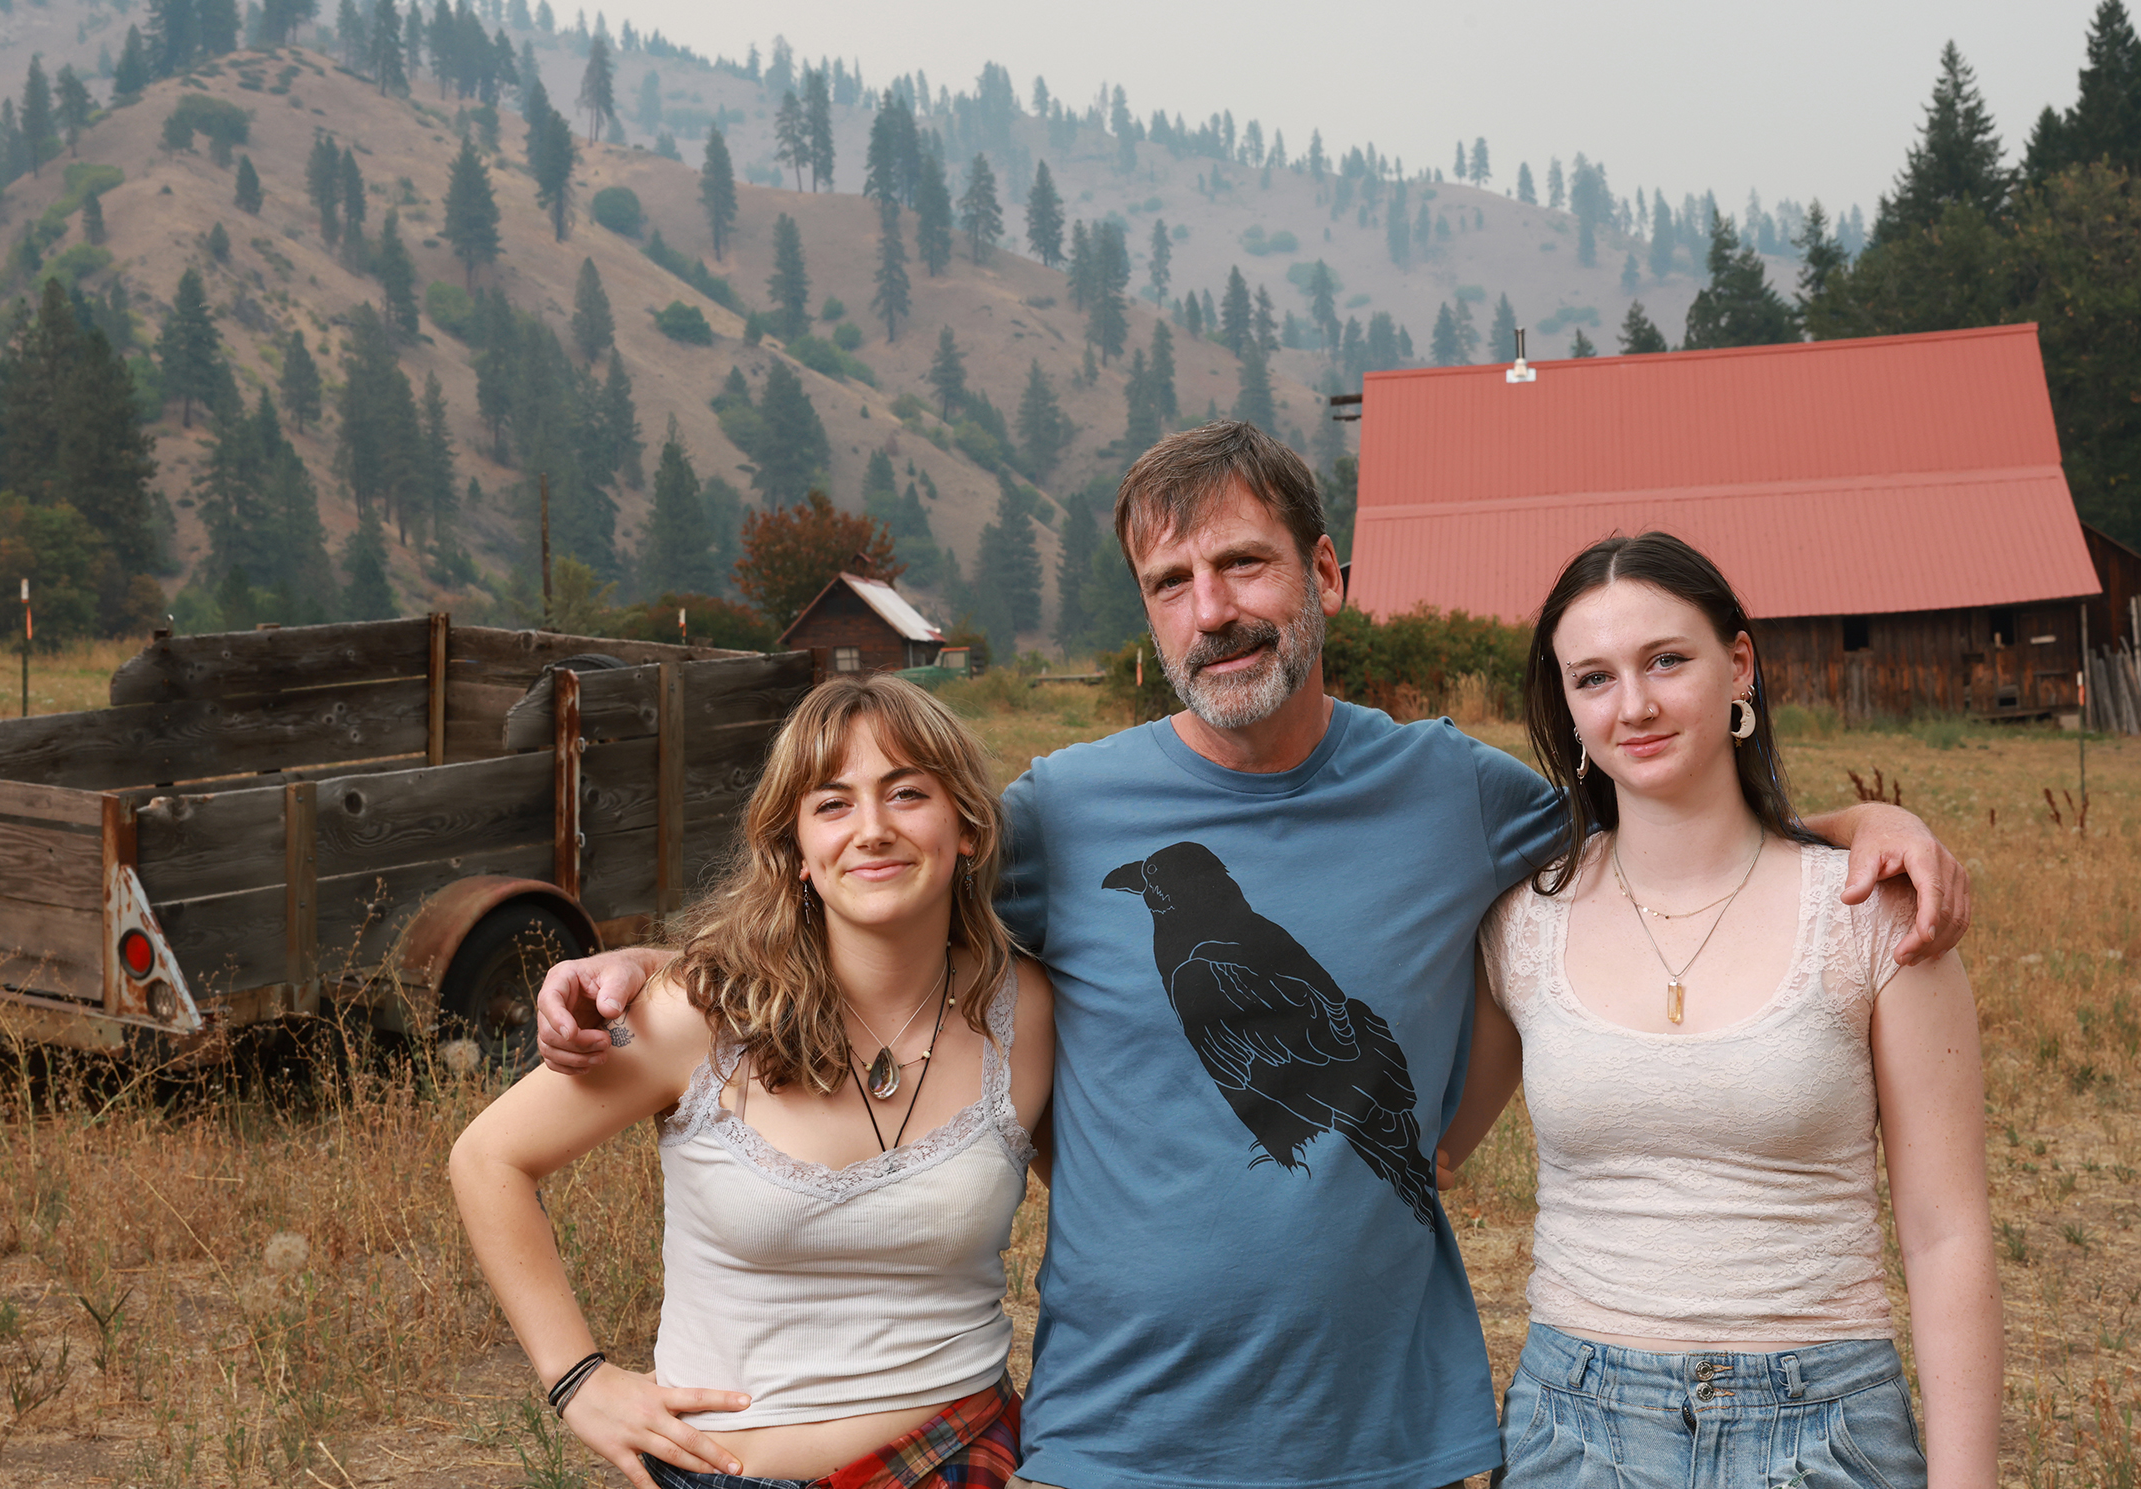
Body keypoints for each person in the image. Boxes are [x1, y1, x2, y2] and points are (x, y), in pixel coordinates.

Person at [539, 423, 1971, 1489]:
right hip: (1121, 1430)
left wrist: (1851, 827)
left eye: (1244, 563)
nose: (1212, 607)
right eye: (1172, 581)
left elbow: (1660, 804)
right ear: (1147, 612)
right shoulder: (1059, 812)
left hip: (1389, 1430)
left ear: (1325, 572)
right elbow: (874, 890)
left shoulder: (1456, 792)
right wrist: (658, 963)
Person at [1436, 533, 1999, 1489]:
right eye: (1594, 678)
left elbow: (1947, 1234)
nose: (1637, 704)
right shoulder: (1520, 927)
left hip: (1825, 1426)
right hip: (1576, 1427)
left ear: (1740, 664)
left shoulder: (1872, 914)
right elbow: (1428, 1154)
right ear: (1568, 708)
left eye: (1667, 659)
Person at [451, 673, 1054, 1489]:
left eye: (906, 793)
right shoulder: (698, 1013)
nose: (871, 830)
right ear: (798, 852)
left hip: (960, 1456)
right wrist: (578, 1381)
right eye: (833, 804)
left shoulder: (1028, 1014)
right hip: (727, 1473)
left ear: (968, 826)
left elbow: (1119, 1212)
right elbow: (489, 1160)